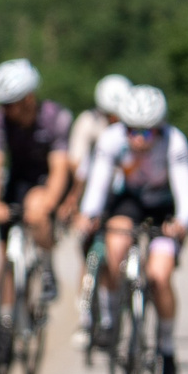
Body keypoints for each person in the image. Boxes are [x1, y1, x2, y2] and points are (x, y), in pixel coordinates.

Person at [81, 85, 188, 374]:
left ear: (159, 128)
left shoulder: (174, 141)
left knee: (159, 276)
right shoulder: (111, 139)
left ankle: (167, 347)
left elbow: (186, 194)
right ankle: (109, 320)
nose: (138, 139)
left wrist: (181, 223)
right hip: (129, 201)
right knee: (115, 244)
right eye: (131, 130)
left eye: (146, 132)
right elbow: (98, 185)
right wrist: (89, 214)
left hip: (163, 207)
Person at [0, 58, 73, 366]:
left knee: (36, 209)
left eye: (11, 104)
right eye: (2, 105)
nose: (5, 110)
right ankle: (5, 321)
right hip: (18, 180)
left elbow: (59, 169)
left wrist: (49, 202)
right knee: (4, 257)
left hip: (46, 179)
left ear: (29, 98)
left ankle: (46, 265)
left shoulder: (55, 118)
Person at [66, 73, 132, 336]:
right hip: (94, 188)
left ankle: (123, 290)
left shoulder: (134, 128)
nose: (113, 120)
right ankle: (85, 316)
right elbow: (77, 164)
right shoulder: (88, 123)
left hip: (122, 193)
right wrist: (76, 204)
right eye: (108, 115)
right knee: (87, 249)